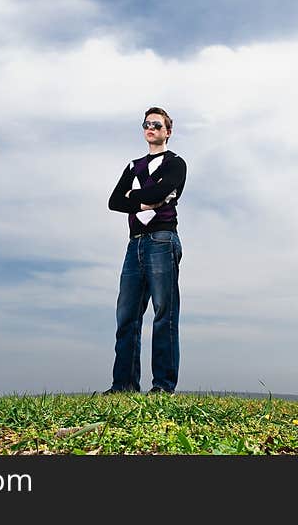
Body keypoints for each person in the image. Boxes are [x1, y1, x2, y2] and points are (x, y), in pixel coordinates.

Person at [103, 106, 187, 395]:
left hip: (162, 240)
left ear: (167, 131)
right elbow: (114, 201)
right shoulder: (132, 166)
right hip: (135, 243)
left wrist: (135, 196)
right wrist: (145, 201)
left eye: (156, 125)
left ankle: (163, 386)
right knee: (126, 315)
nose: (150, 129)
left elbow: (154, 195)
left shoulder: (176, 164)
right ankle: (123, 385)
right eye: (147, 124)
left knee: (164, 313)